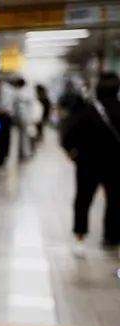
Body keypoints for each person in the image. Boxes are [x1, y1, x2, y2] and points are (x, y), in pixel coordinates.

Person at [62, 71, 120, 256]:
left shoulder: (87, 111)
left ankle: (80, 237)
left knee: (83, 199)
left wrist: (73, 154)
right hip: (115, 164)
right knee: (115, 200)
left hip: (88, 164)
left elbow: (68, 135)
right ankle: (111, 237)